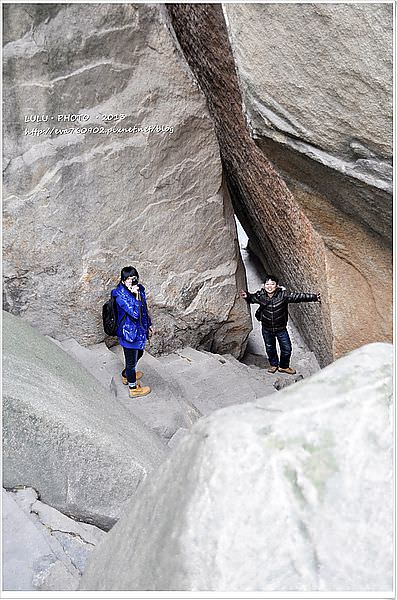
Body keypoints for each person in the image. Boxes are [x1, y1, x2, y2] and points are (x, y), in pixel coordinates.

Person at [240, 275, 321, 375]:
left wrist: (313, 297)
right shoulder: (260, 295)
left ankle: (283, 366)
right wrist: (247, 296)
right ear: (263, 286)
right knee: (270, 348)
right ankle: (274, 364)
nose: (269, 286)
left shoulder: (283, 295)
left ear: (277, 286)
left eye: (272, 284)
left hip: (281, 329)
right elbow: (252, 298)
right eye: (267, 284)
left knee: (287, 348)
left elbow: (297, 297)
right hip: (266, 328)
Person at [112, 266, 153, 397]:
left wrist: (149, 325)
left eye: (134, 278)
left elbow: (143, 309)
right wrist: (135, 296)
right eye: (128, 279)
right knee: (131, 362)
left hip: (139, 330)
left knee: (139, 353)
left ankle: (126, 374)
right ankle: (133, 388)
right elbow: (135, 313)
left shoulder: (139, 289)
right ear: (123, 280)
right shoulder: (119, 295)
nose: (132, 281)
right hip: (128, 333)